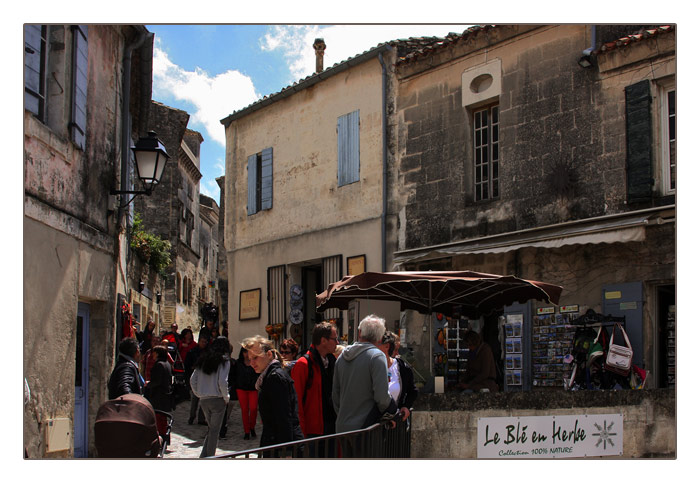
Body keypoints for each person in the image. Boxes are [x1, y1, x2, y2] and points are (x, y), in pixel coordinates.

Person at [332, 315, 399, 434]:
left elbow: (335, 396)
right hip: (366, 427)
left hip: (342, 427)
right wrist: (393, 410)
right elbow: (381, 397)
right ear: (380, 337)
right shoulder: (377, 357)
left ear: (359, 332)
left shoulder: (341, 357)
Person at [242, 335, 303, 450]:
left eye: (255, 358)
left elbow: (284, 417)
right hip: (274, 442)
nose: (252, 363)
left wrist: (287, 452)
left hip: (281, 445)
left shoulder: (275, 377)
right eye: (250, 359)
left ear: (269, 355)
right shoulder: (268, 376)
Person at [291, 322, 338, 439]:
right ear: (323, 341)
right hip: (312, 432)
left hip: (331, 428)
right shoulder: (303, 364)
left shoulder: (333, 361)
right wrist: (300, 434)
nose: (337, 343)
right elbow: (296, 402)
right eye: (335, 339)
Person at [189, 336, 231, 458]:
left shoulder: (203, 359)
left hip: (204, 399)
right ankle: (210, 457)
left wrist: (198, 393)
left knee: (211, 429)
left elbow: (192, 380)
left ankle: (204, 455)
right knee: (214, 431)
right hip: (217, 399)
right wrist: (226, 397)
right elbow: (223, 381)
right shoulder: (224, 361)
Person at [379, 331, 418, 422]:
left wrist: (406, 406)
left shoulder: (403, 368)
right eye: (395, 350)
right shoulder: (372, 366)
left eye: (397, 350)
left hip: (395, 422)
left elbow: (413, 391)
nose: (396, 353)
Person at [232, 346, 259, 439]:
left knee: (254, 408)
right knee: (244, 410)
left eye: (248, 352)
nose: (246, 354)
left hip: (253, 388)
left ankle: (252, 426)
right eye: (245, 352)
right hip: (241, 388)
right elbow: (234, 375)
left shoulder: (254, 362)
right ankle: (247, 431)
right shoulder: (238, 363)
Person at [185, 337, 208, 425]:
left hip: (204, 379)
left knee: (203, 401)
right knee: (194, 400)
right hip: (195, 377)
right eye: (202, 342)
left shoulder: (207, 352)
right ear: (199, 342)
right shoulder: (192, 352)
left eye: (205, 342)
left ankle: (201, 419)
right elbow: (187, 365)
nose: (204, 343)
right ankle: (192, 417)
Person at [144, 345, 173, 412]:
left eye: (153, 353)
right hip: (165, 394)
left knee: (159, 415)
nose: (152, 355)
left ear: (157, 354)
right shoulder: (167, 363)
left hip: (159, 396)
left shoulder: (159, 364)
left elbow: (157, 381)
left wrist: (148, 384)